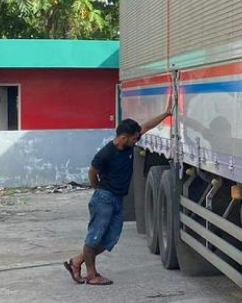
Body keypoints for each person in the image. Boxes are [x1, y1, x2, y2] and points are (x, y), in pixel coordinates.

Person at [64, 100, 171, 286]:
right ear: (123, 137)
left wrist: (167, 113)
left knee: (111, 238)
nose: (137, 140)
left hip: (117, 199)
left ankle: (76, 261)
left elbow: (146, 126)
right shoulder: (106, 153)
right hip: (104, 198)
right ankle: (91, 275)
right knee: (95, 236)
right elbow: (92, 171)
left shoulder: (129, 144)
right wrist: (96, 187)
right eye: (134, 138)